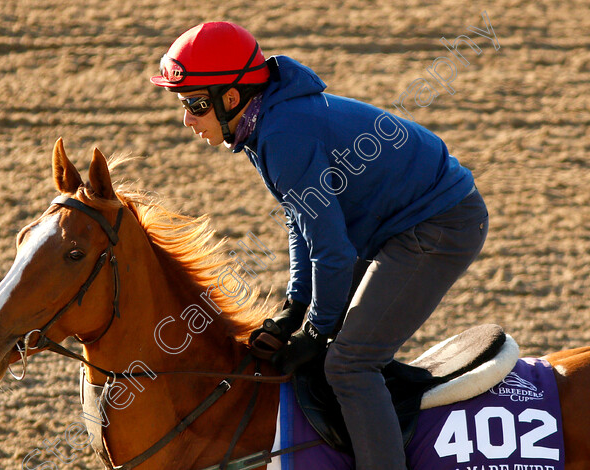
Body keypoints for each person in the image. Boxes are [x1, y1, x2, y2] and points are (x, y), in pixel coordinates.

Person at [149, 21, 489, 470]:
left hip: (439, 226)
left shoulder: (282, 133)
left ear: (229, 98)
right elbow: (301, 220)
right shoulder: (265, 119)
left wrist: (318, 329)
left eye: (194, 105)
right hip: (400, 223)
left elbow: (333, 252)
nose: (187, 120)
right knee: (333, 348)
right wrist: (295, 306)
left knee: (348, 365)